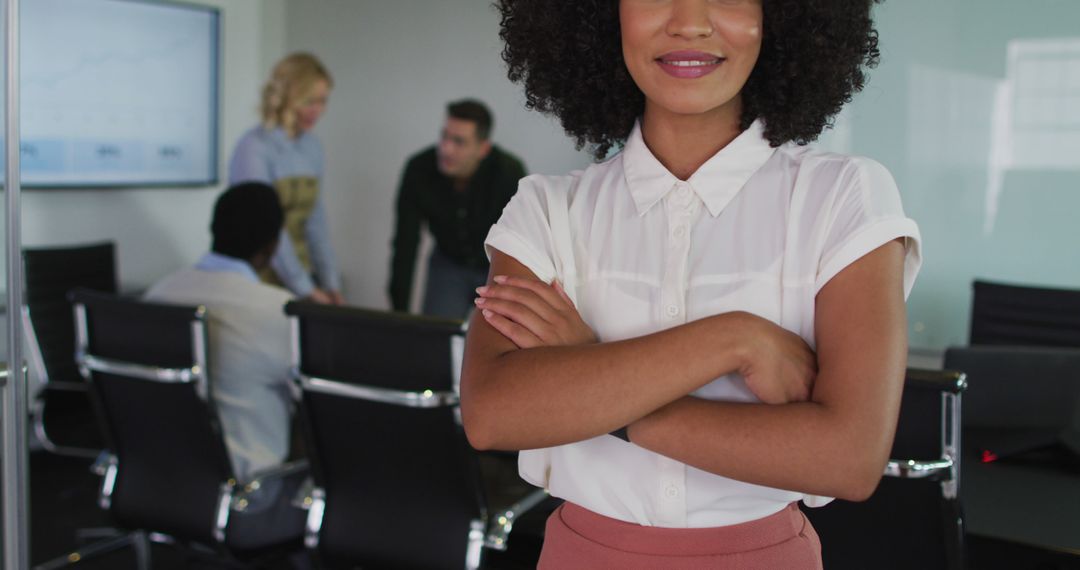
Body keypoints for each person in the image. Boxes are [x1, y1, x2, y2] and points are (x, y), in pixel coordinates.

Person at [461, 1, 921, 568]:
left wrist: (589, 378)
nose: (689, 22)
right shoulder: (547, 208)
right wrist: (735, 339)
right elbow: (492, 412)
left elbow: (846, 458)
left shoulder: (843, 197)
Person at [144, 182, 306, 551]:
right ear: (271, 246)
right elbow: (319, 404)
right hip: (247, 502)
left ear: (213, 229)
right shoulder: (278, 311)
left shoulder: (158, 293)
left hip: (155, 484)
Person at [388, 99, 526, 319]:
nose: (446, 148)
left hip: (494, 266)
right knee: (436, 337)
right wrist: (398, 313)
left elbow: (521, 240)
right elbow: (406, 242)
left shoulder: (508, 172)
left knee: (496, 341)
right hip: (447, 264)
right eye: (445, 136)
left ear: (483, 149)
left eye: (459, 141)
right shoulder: (419, 169)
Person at [229, 52, 344, 305]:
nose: (318, 110)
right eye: (310, 101)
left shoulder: (312, 147)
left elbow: (316, 221)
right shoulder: (254, 148)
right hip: (259, 276)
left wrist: (331, 283)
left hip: (299, 273)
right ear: (288, 98)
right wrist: (306, 289)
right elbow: (267, 226)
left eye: (323, 101)